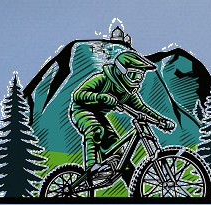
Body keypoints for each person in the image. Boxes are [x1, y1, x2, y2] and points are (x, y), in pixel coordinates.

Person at [65, 25, 171, 189]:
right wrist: (102, 97)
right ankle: (91, 167)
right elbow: (78, 95)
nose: (136, 80)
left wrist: (160, 120)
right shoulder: (102, 79)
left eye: (140, 77)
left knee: (121, 156)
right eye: (133, 75)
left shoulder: (128, 92)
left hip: (99, 115)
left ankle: (135, 190)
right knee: (95, 129)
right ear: (121, 71)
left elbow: (141, 107)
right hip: (82, 110)